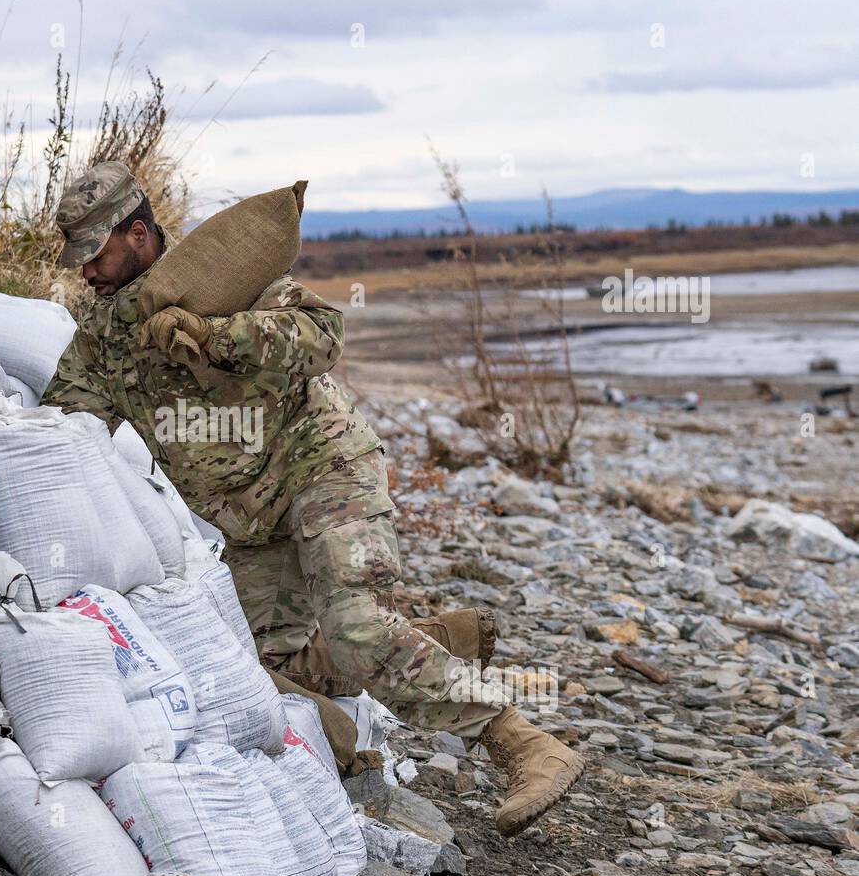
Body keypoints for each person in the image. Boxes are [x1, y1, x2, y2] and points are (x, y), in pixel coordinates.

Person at [42, 161, 585, 836]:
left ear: (138, 235)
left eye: (94, 255)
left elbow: (323, 336)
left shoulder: (223, 278)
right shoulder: (104, 339)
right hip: (250, 520)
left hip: (323, 468)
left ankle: (523, 742)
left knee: (357, 630)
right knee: (254, 672)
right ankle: (443, 641)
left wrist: (216, 336)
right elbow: (63, 423)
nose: (85, 273)